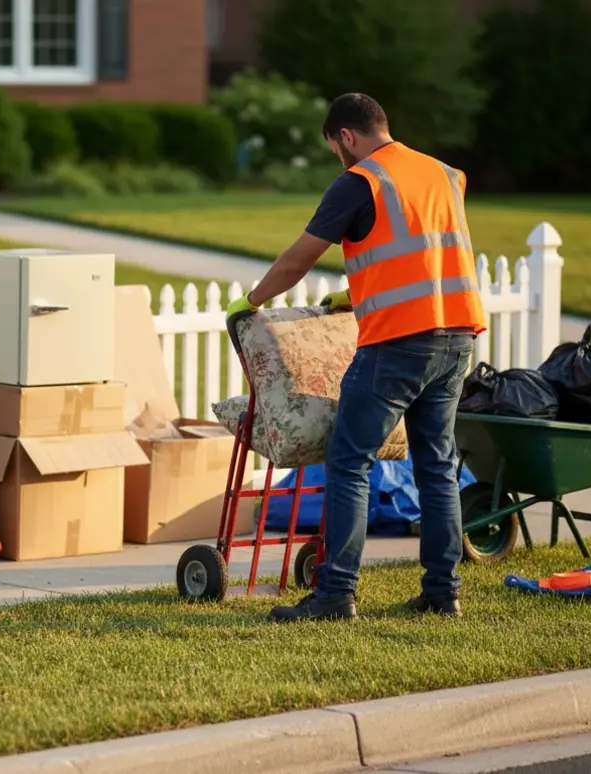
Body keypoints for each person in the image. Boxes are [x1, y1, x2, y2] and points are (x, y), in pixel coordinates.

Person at [226, 93, 487, 621]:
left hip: (397, 343)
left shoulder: (361, 180)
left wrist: (249, 302)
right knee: (436, 467)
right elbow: (422, 250)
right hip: (457, 334)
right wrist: (359, 293)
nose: (337, 159)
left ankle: (335, 594)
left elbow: (300, 258)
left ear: (346, 136)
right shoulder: (442, 173)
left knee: (349, 463)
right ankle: (443, 593)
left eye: (334, 148)